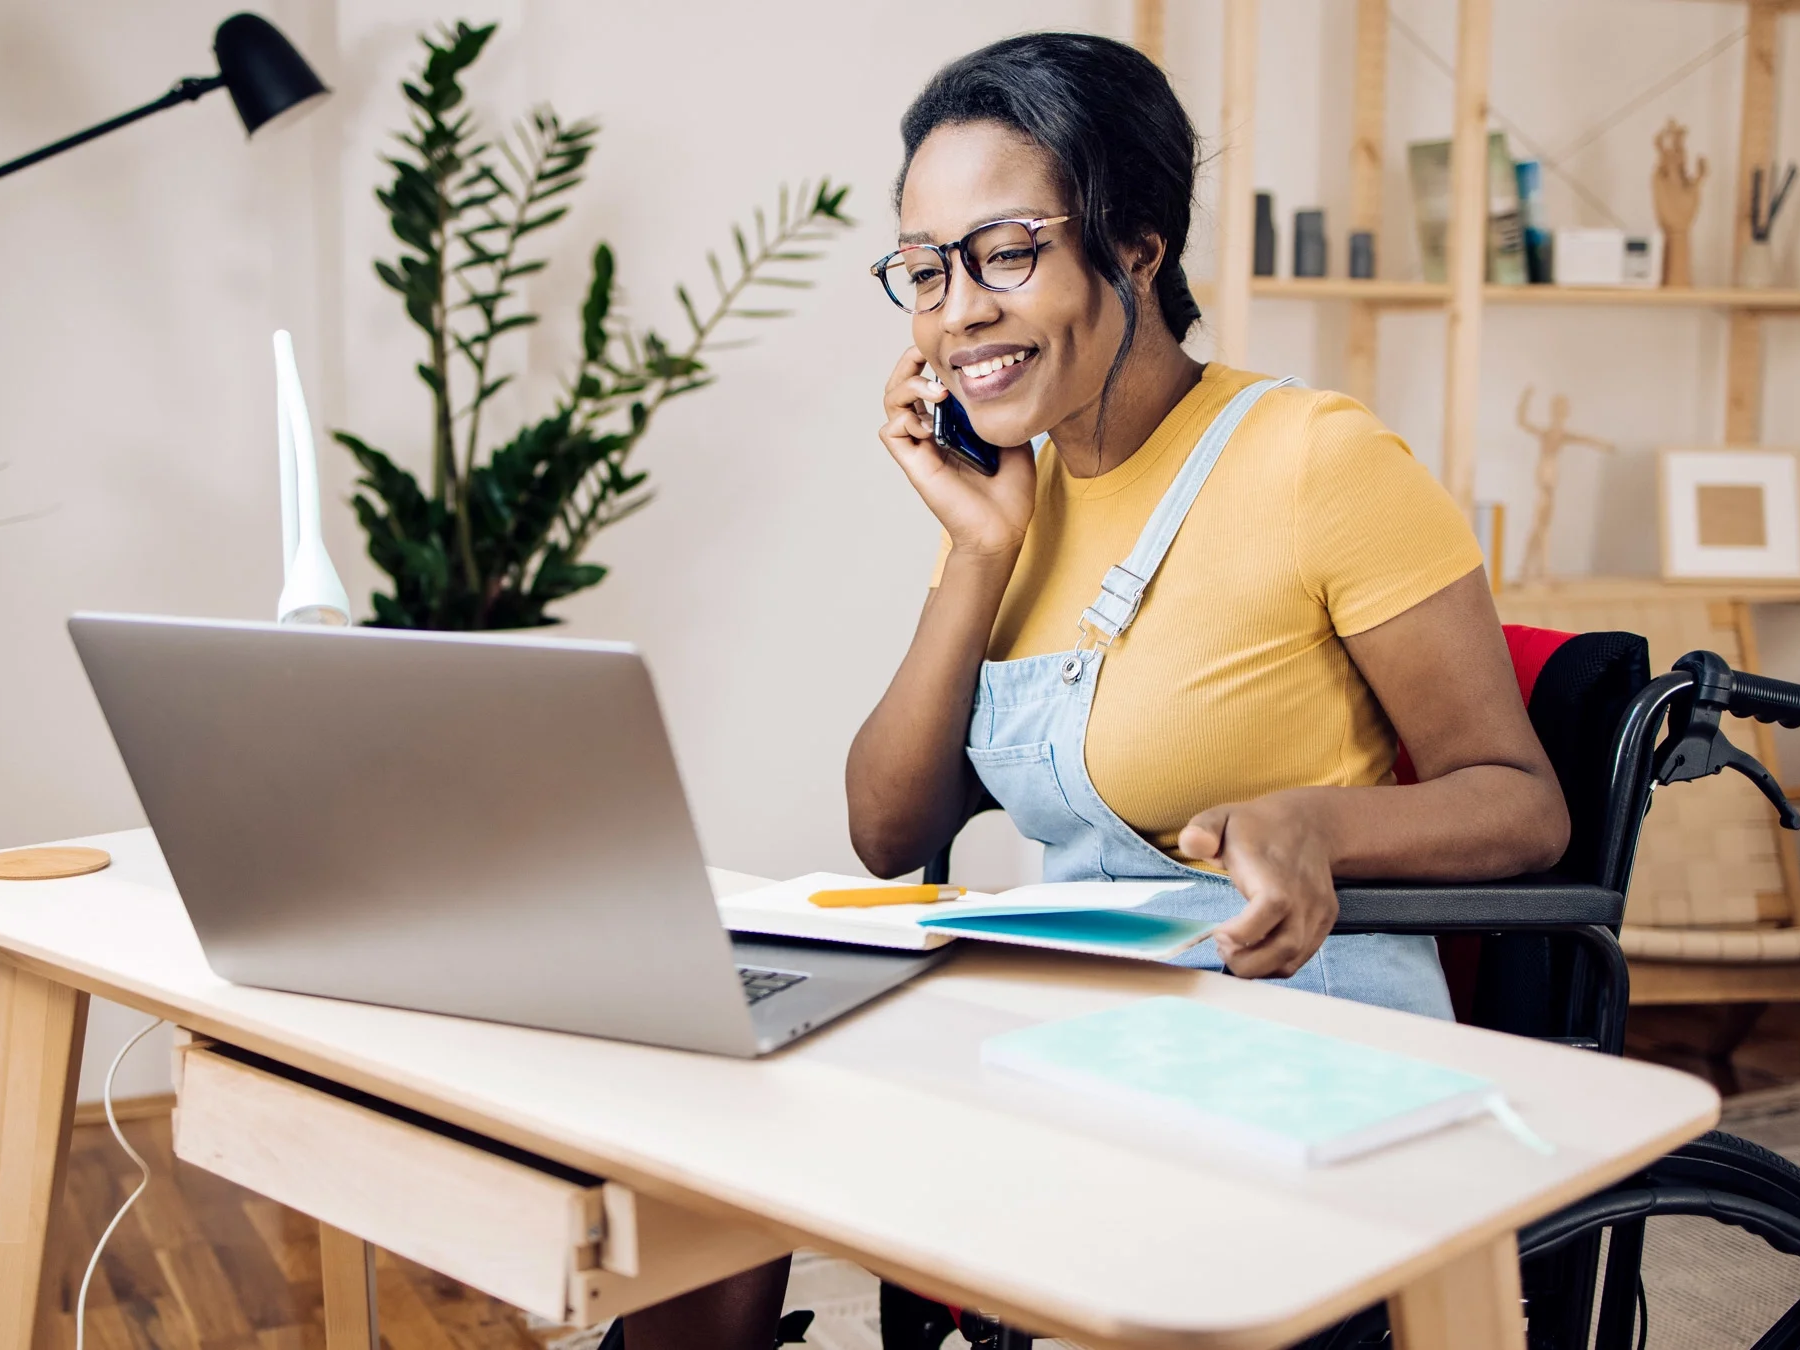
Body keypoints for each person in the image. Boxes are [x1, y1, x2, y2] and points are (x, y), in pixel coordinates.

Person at [609, 30, 1568, 1350]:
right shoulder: (1020, 491)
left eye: (1006, 252)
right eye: (927, 269)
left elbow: (1522, 805)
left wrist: (1317, 822)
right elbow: (888, 830)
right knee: (721, 1071)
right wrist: (976, 553)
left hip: (1290, 1029)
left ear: (1134, 246)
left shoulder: (1317, 459)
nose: (959, 311)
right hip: (1082, 1009)